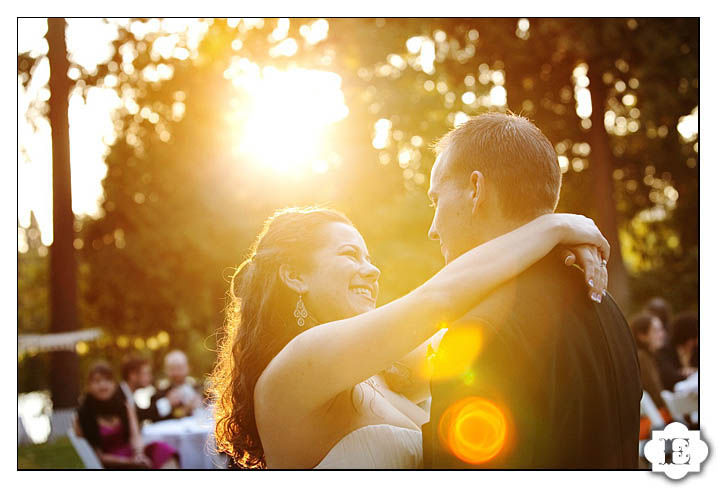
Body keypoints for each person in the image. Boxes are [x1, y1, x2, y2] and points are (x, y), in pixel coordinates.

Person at [211, 202, 610, 467]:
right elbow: (440, 299)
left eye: (369, 257)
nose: (373, 270)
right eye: (350, 255)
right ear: (295, 276)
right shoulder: (298, 361)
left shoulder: (386, 368)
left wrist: (551, 259)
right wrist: (555, 226)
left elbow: (477, 323)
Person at [422, 113, 641, 469]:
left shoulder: (480, 334)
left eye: (435, 200)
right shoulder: (608, 308)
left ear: (475, 190)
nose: (433, 228)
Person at [76, 361, 179, 469]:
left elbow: (135, 435)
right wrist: (130, 462)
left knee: (162, 450)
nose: (103, 385)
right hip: (112, 462)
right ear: (89, 385)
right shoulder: (84, 414)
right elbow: (95, 456)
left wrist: (139, 454)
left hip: (132, 453)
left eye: (107, 380)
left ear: (114, 384)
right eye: (97, 381)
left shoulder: (123, 405)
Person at [120, 355, 181, 423]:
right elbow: (140, 415)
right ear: (132, 375)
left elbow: (142, 414)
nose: (150, 377)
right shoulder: (119, 398)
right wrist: (168, 402)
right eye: (146, 373)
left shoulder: (127, 394)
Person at [630, 313, 668, 410]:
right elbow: (656, 395)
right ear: (642, 336)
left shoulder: (648, 357)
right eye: (656, 331)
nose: (662, 334)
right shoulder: (642, 359)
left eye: (661, 329)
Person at [152, 350, 203, 420]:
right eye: (172, 369)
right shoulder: (159, 394)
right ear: (166, 371)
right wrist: (168, 402)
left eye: (179, 368)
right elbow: (154, 418)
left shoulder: (199, 390)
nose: (176, 372)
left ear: (188, 368)